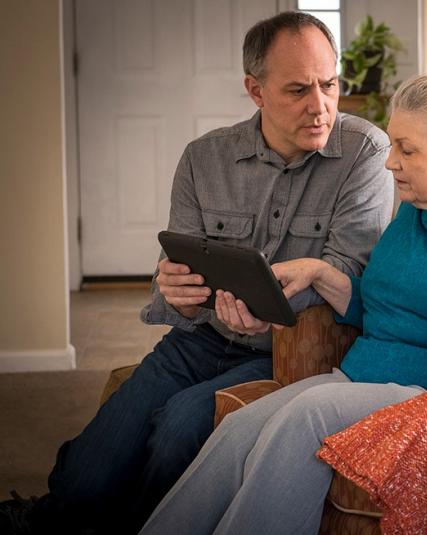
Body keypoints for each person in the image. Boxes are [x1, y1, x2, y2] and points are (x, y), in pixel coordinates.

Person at [138, 55, 427, 535]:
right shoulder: (418, 206)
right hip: (365, 375)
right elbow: (383, 303)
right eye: (392, 144)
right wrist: (321, 272)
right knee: (239, 429)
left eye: (406, 150)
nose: (390, 162)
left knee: (306, 415)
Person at [0, 12, 393, 535]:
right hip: (199, 339)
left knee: (177, 431)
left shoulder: (365, 152)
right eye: (298, 90)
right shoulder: (204, 158)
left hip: (293, 352)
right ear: (254, 90)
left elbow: (349, 272)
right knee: (82, 479)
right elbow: (178, 275)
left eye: (328, 84)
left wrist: (267, 309)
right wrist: (176, 293)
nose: (320, 106)